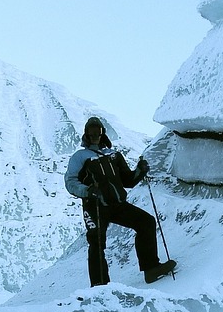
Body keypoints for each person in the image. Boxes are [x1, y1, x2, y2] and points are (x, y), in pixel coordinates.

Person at [64, 117, 176, 287]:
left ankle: (151, 269)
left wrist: (140, 170)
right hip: (94, 206)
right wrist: (87, 191)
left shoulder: (114, 155)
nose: (95, 136)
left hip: (116, 204)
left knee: (146, 222)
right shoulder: (79, 157)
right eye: (92, 133)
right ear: (86, 134)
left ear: (103, 134)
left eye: (98, 133)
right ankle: (100, 287)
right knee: (97, 243)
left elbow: (128, 181)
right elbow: (70, 182)